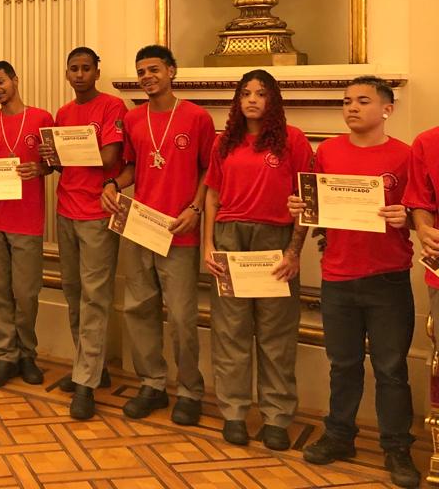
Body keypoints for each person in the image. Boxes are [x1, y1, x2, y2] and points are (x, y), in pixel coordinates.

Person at [285, 76, 419, 487]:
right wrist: (301, 206)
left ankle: (397, 448)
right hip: (338, 277)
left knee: (391, 369)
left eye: (363, 100)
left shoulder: (405, 155)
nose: (352, 108)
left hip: (388, 279)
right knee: (342, 365)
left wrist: (407, 217)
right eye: (346, 101)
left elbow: (422, 210)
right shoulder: (327, 151)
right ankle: (340, 435)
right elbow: (318, 207)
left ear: (387, 109)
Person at [101, 45, 214, 426]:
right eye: (141, 72)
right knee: (139, 309)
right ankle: (151, 383)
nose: (147, 76)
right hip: (139, 226)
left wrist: (195, 209)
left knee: (182, 317)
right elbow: (132, 167)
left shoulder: (197, 118)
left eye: (154, 69)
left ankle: (189, 390)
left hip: (178, 230)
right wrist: (114, 185)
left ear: (172, 71)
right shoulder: (133, 119)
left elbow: (208, 173)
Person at [202, 70, 313, 450]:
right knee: (230, 331)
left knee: (275, 335)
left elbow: (306, 201)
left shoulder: (292, 141)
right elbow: (212, 197)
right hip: (230, 239)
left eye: (261, 94)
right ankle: (233, 412)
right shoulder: (224, 143)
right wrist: (207, 246)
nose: (252, 99)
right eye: (245, 93)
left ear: (273, 100)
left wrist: (294, 251)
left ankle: (277, 416)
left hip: (275, 240)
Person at [37, 47, 126, 419]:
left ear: (96, 71)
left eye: (86, 68)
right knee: (73, 293)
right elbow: (64, 166)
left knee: (94, 298)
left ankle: (86, 383)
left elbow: (108, 158)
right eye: (73, 68)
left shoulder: (112, 107)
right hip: (66, 211)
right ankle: (89, 366)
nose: (79, 75)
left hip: (96, 214)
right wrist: (53, 156)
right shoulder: (63, 113)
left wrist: (70, 152)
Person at [0, 61, 54, 388]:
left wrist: (42, 170)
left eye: (1, 82)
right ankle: (5, 355)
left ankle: (27, 354)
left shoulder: (41, 118)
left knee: (26, 291)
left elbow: (53, 163)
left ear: (15, 80)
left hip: (27, 220)